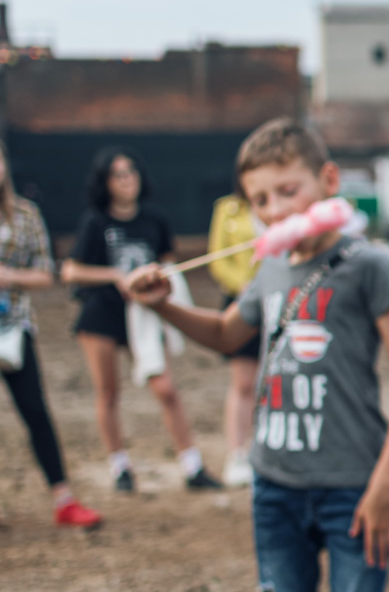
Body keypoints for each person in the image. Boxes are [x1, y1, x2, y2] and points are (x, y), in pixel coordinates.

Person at [125, 118, 389, 592]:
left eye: (286, 191)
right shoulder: (268, 268)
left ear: (327, 182)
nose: (273, 210)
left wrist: (384, 486)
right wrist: (165, 305)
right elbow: (227, 333)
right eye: (258, 200)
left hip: (354, 495)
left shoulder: (368, 266)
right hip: (276, 492)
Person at [60, 148, 220, 492]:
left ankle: (192, 465)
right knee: (108, 392)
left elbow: (169, 264)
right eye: (118, 174)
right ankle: (120, 466)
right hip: (101, 315)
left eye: (131, 171)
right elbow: (71, 270)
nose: (127, 179)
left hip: (144, 316)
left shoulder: (154, 219)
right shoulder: (95, 222)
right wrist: (115, 276)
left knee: (166, 389)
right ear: (105, 182)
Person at [0, 142, 102, 528]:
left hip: (15, 328)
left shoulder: (26, 215)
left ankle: (64, 500)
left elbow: (46, 273)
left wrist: (10, 276)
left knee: (35, 411)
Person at [207, 190, 262, 487]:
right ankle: (238, 453)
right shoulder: (227, 208)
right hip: (243, 301)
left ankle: (266, 450)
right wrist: (243, 286)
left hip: (285, 297)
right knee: (243, 381)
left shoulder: (288, 205)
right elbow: (218, 259)